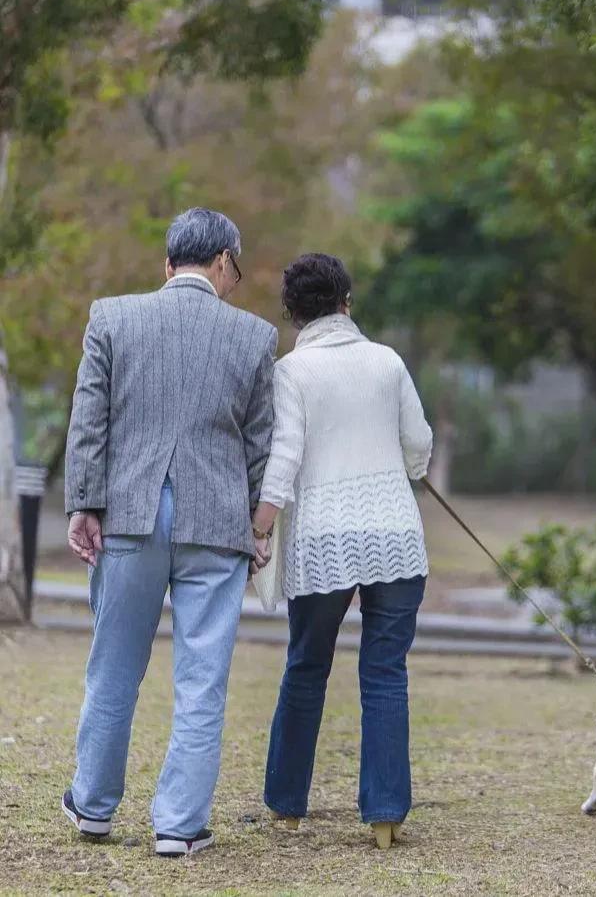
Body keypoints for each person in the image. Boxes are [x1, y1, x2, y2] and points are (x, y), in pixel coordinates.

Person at [62, 208, 277, 857]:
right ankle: (179, 825)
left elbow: (89, 421)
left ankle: (94, 806)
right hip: (216, 521)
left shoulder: (112, 317)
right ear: (220, 262)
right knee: (202, 677)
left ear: (167, 262)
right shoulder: (256, 335)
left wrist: (83, 504)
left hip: (127, 513)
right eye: (235, 268)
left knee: (113, 667)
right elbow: (261, 443)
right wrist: (258, 527)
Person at [256, 253, 433, 850]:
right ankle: (385, 815)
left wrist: (262, 523)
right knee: (386, 672)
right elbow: (418, 440)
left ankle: (286, 805)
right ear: (346, 303)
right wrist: (411, 468)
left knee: (307, 665)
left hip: (324, 536)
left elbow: (284, 456)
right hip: (394, 534)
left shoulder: (292, 371)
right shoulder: (387, 361)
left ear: (292, 313)